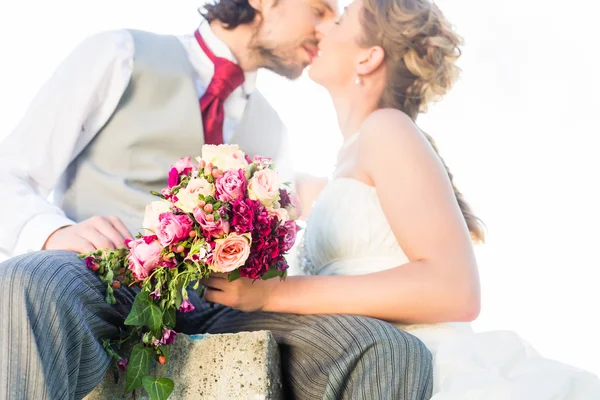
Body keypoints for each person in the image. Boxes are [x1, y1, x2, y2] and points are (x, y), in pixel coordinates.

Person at [0, 0, 434, 399]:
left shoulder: (273, 132)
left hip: (220, 308)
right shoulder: (120, 53)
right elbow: (11, 172)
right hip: (107, 282)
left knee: (386, 349)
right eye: (319, 10)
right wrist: (52, 231)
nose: (324, 30)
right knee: (31, 279)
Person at [201, 0, 600, 397]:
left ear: (368, 58)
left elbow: (455, 289)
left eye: (339, 21)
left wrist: (273, 294)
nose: (321, 29)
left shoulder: (387, 129)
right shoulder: (345, 164)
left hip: (415, 369)